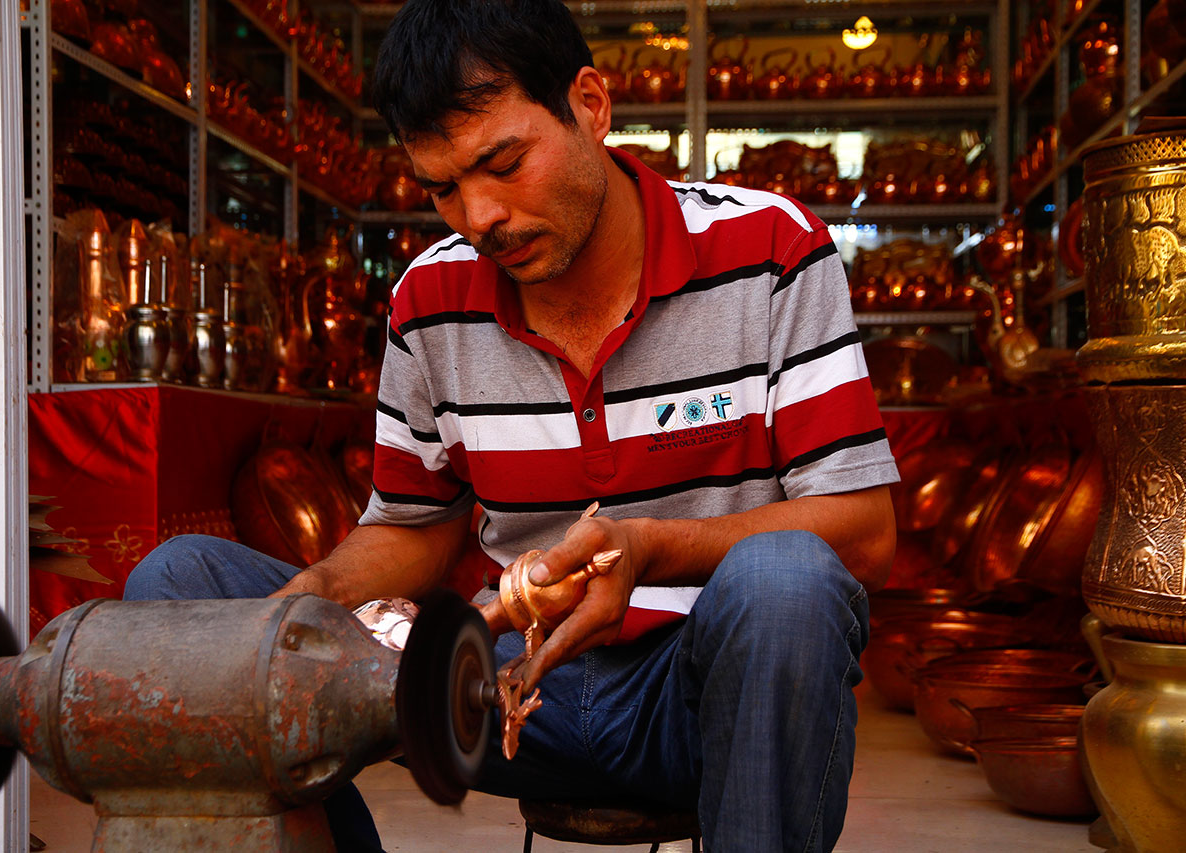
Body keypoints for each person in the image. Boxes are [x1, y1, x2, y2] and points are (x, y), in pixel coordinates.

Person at [124, 0, 899, 849]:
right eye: (442, 188)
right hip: (502, 684)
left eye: (503, 163)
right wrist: (321, 594)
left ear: (590, 106)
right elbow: (414, 529)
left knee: (786, 580)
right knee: (179, 585)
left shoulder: (770, 251)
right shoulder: (430, 298)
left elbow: (863, 533)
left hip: (694, 692)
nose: (479, 216)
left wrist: (647, 547)